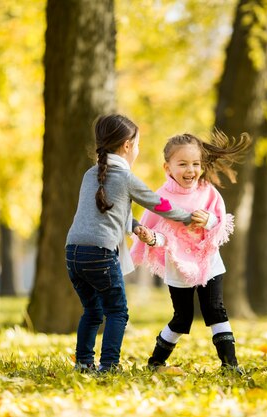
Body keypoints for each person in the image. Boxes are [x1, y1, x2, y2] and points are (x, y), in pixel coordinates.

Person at [65, 114, 196, 373]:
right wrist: (189, 217)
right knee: (117, 311)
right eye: (137, 144)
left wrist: (135, 227)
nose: (138, 149)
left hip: (73, 253)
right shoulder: (125, 177)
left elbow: (106, 211)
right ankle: (110, 365)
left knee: (92, 310)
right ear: (126, 145)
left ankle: (83, 363)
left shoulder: (90, 174)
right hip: (100, 253)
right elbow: (158, 204)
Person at [130, 130, 251, 374]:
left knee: (215, 310)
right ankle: (156, 362)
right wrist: (152, 238)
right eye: (182, 164)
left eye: (195, 164)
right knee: (182, 318)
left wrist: (208, 220)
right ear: (168, 168)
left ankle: (231, 365)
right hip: (179, 265)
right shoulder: (161, 198)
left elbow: (220, 223)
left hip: (208, 261)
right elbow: (161, 234)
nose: (190, 170)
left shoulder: (207, 191)